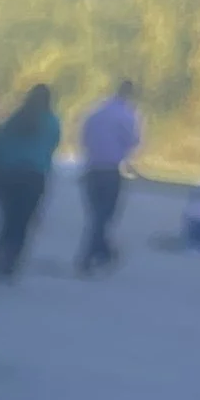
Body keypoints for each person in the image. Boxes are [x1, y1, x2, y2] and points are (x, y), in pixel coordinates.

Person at [0, 83, 61, 278]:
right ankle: (10, 260)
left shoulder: (16, 118)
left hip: (8, 175)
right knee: (23, 222)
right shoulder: (52, 122)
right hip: (34, 176)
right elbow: (52, 147)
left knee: (6, 218)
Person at [78, 76, 144, 269]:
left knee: (96, 214)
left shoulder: (96, 110)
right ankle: (92, 255)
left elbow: (84, 135)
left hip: (91, 168)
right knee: (105, 215)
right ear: (130, 94)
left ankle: (101, 251)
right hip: (110, 170)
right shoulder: (127, 115)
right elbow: (133, 141)